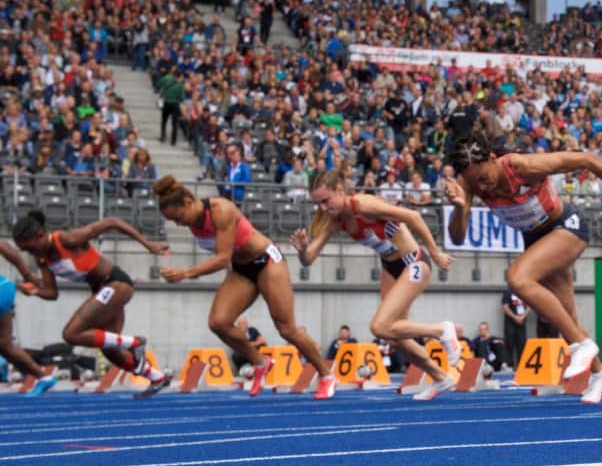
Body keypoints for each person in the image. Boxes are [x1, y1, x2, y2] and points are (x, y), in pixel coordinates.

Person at [444, 131, 602, 403]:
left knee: (518, 278)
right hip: (535, 240)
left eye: (484, 178)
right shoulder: (469, 183)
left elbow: (586, 159)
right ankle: (599, 374)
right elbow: (457, 237)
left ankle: (580, 345)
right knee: (566, 317)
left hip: (565, 227)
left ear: (491, 158)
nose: (483, 188)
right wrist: (459, 207)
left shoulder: (522, 166)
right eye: (477, 184)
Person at [153, 175, 336, 399]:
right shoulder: (193, 221)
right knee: (218, 322)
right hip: (242, 269)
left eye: (179, 217)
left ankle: (326, 375)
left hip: (267, 261)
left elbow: (221, 259)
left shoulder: (221, 210)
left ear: (189, 202)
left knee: (287, 328)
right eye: (173, 221)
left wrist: (185, 273)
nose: (179, 224)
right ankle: (261, 362)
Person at [291, 165, 461, 401]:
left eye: (325, 201)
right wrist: (301, 251)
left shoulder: (363, 205)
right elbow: (308, 259)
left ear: (339, 190)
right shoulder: (336, 220)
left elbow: (413, 216)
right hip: (390, 268)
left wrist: (436, 253)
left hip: (413, 262)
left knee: (379, 326)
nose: (323, 208)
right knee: (391, 336)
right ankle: (441, 377)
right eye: (318, 204)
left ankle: (442, 330)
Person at [11, 212, 173, 399]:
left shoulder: (66, 239)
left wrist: (148, 244)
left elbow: (113, 221)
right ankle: (157, 377)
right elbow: (52, 293)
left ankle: (135, 343)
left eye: (31, 248)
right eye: (26, 251)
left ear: (40, 235)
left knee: (70, 333)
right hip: (102, 291)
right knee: (111, 350)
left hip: (116, 284)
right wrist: (35, 291)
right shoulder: (43, 259)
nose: (31, 253)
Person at [0, 241, 57, 397]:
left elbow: (4, 248)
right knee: (5, 346)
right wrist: (27, 274)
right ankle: (44, 377)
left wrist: (28, 274)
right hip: (4, 287)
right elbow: (6, 248)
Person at [502, 288, 528, 368]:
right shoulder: (507, 292)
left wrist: (523, 316)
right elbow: (505, 307)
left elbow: (530, 305)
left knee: (521, 343)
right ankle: (510, 365)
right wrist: (515, 317)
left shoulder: (524, 291)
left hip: (522, 322)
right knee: (509, 343)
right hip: (510, 323)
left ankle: (521, 366)